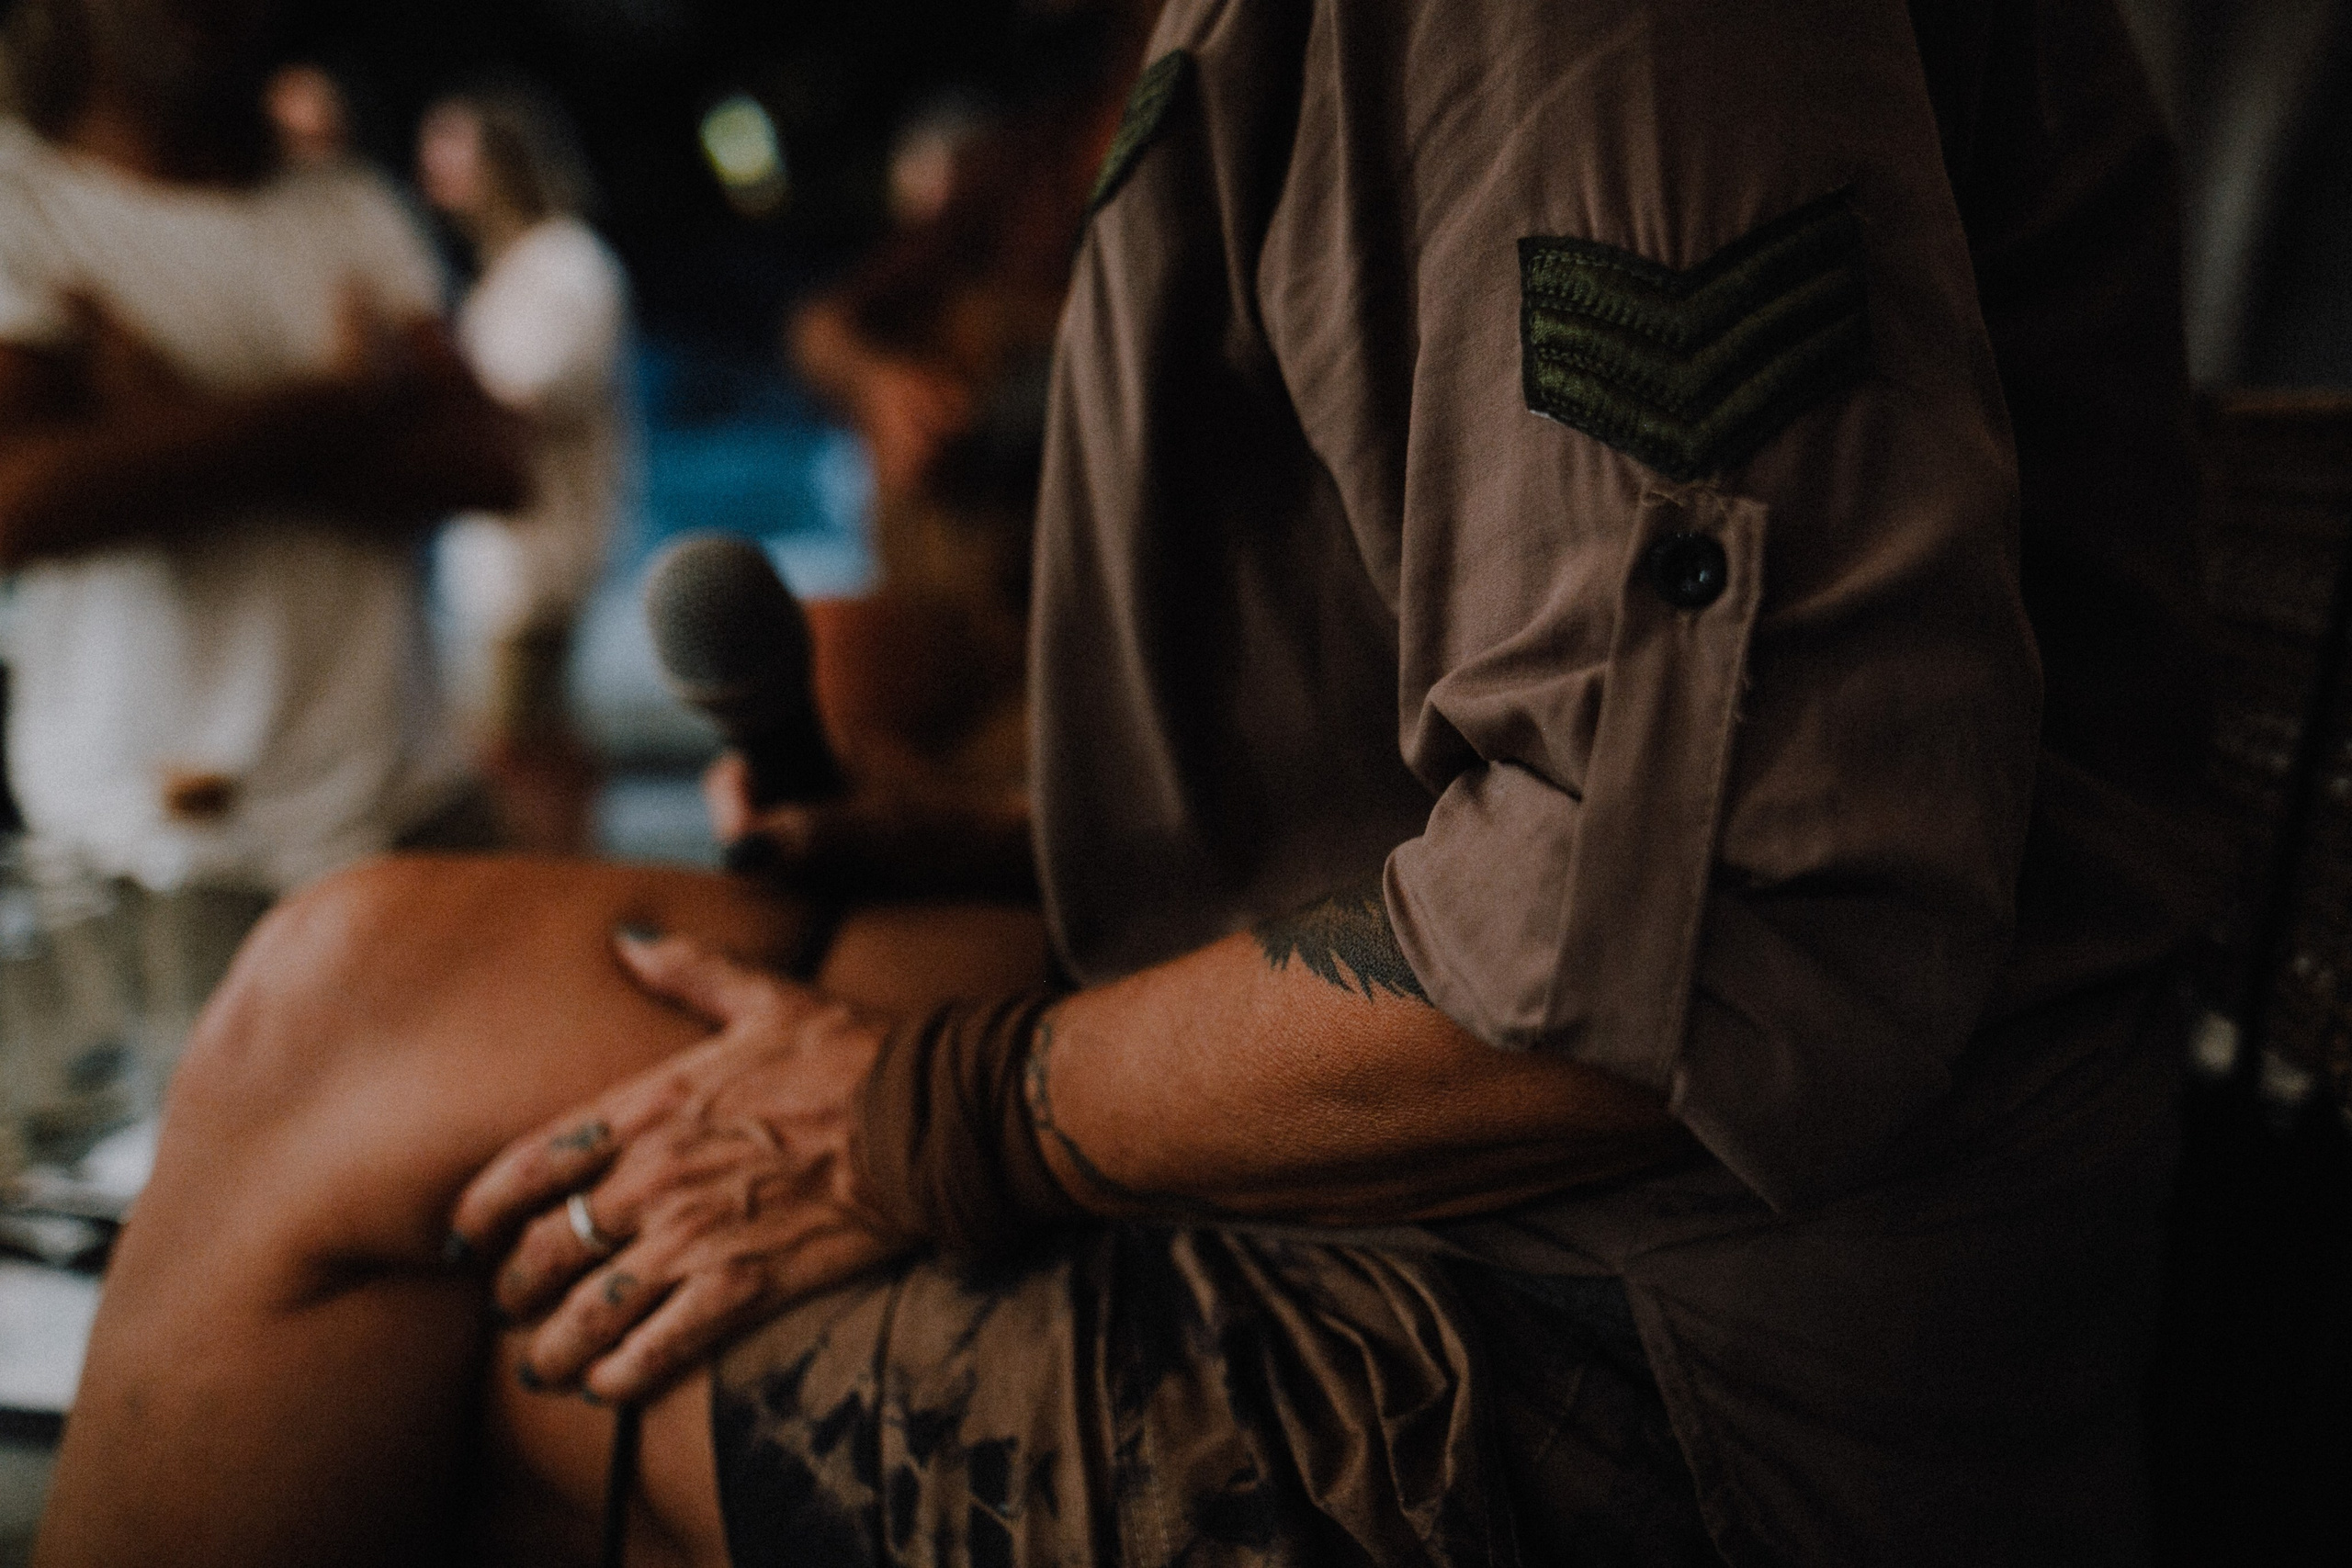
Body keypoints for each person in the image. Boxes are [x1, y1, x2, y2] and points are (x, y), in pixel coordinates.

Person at [34, 2, 2223, 1566]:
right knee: (383, 1004)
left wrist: (936, 1115)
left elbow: (1696, 914)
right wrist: (1002, 839)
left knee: (410, 1216)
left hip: (1634, 1386)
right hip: (1535, 1249)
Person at [0, 0, 524, 903]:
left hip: (405, 812)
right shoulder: (22, 197)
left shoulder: (347, 200)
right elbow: (20, 500)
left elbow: (490, 460)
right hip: (149, 847)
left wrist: (164, 415)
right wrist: (348, 399)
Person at [419, 85, 634, 854]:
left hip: (538, 556)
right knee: (542, 743)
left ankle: (549, 892)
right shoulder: (511, 269)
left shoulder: (566, 264)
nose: (431, 167)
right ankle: (566, 885)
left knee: (508, 748)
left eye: (453, 148)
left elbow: (520, 397)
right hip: (504, 557)